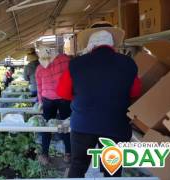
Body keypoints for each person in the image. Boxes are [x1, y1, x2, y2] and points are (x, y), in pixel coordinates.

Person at [56, 22, 142, 178]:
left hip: (83, 125)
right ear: (111, 44)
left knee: (78, 165)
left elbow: (63, 93)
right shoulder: (129, 63)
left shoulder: (76, 64)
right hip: (115, 125)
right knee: (112, 169)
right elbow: (135, 91)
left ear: (91, 44)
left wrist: (82, 95)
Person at [35, 42, 72, 166]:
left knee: (47, 126)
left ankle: (45, 154)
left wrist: (40, 101)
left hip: (48, 99)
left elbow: (39, 87)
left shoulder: (39, 68)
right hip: (64, 97)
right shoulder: (65, 60)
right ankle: (68, 154)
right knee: (65, 123)